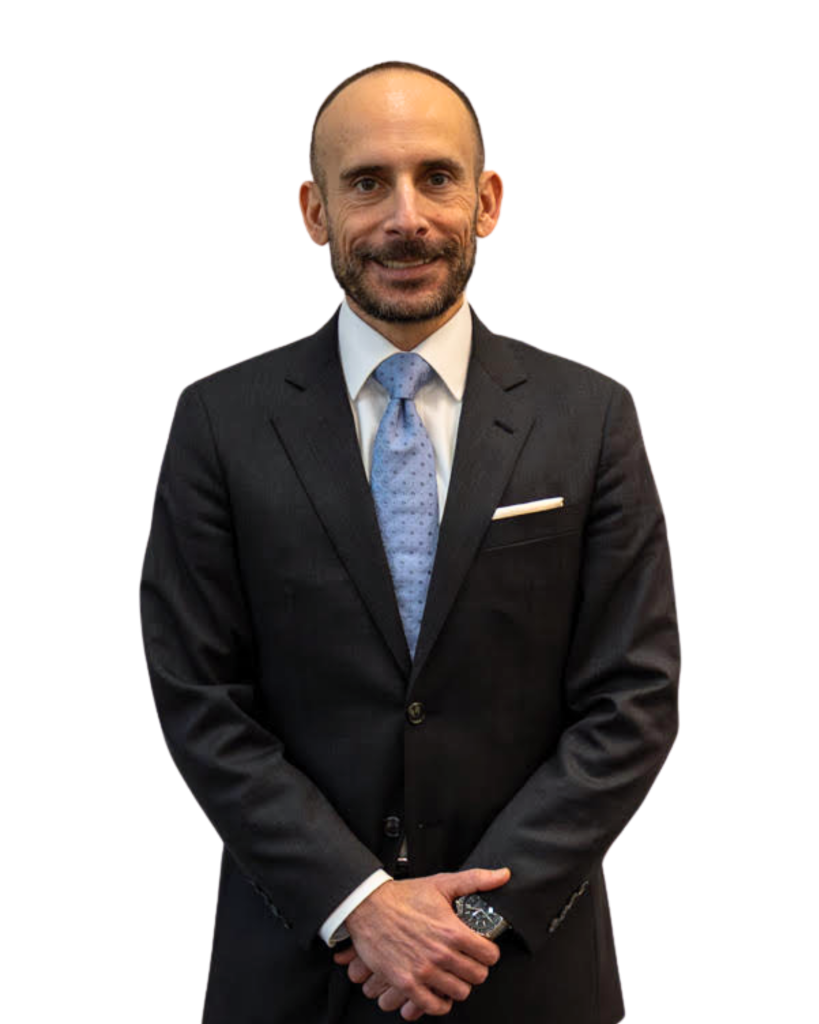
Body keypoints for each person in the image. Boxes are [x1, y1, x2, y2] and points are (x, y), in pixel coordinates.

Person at [139, 59, 681, 1024]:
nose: (406, 217)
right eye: (365, 183)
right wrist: (359, 907)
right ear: (313, 211)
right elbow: (197, 695)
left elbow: (634, 698)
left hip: (525, 972)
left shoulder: (593, 415)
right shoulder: (218, 421)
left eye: (436, 177)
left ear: (488, 201)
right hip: (296, 973)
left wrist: (469, 919)